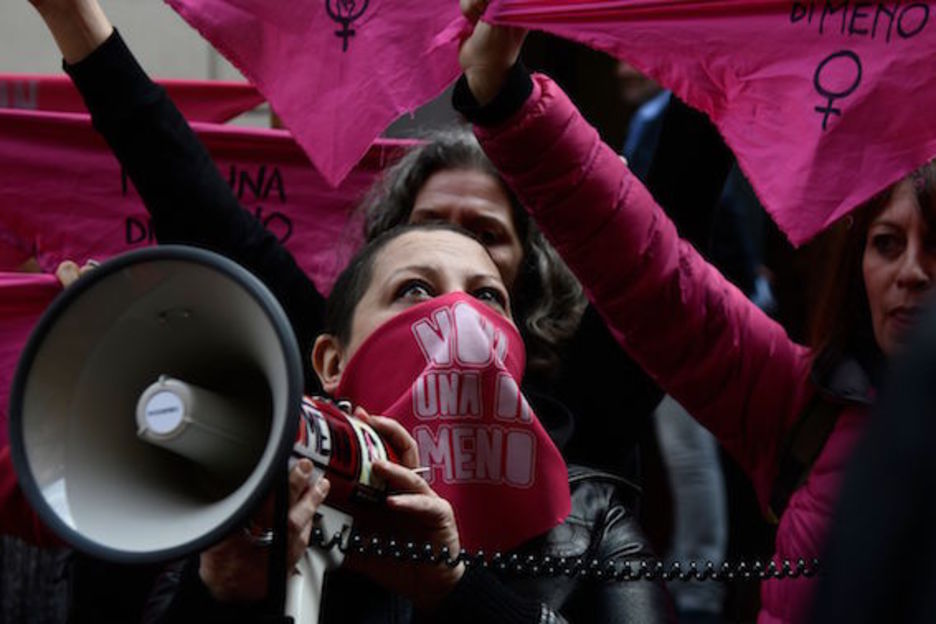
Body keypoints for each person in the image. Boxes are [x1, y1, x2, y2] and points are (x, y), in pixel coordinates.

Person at [454, 3, 936, 622]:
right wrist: (508, 102)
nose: (913, 271)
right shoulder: (802, 405)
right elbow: (650, 269)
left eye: (935, 246)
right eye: (887, 244)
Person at [141, 222, 672, 623]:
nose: (461, 315)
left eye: (488, 297)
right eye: (414, 289)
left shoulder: (593, 519)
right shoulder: (246, 505)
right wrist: (220, 594)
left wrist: (458, 591)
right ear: (331, 362)